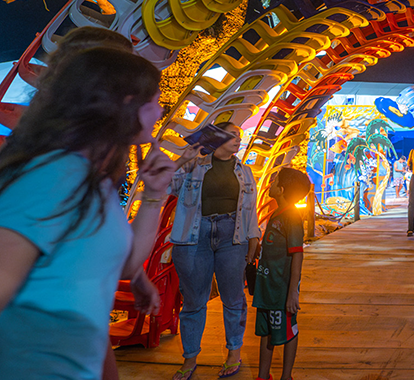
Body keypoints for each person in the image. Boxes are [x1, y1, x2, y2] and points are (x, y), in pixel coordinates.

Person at [0, 48, 175, 379]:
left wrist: (154, 195)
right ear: (126, 103)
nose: (161, 110)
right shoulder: (53, 177)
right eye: (154, 101)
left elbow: (121, 264)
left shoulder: (92, 180)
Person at [169, 122, 261, 380]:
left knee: (233, 298)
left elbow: (250, 208)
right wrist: (182, 159)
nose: (237, 139)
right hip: (194, 235)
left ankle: (234, 353)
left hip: (233, 235)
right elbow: (163, 185)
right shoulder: (194, 166)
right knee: (193, 300)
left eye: (239, 135)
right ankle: (190, 358)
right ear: (215, 138)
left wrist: (254, 237)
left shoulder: (244, 171)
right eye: (231, 135)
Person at [255, 168, 310, 380]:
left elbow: (297, 255)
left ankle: (286, 376)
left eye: (275, 180)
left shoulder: (292, 217)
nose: (271, 183)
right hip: (267, 286)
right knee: (266, 330)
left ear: (282, 189)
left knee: (288, 330)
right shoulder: (278, 213)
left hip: (281, 288)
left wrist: (293, 292)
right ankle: (263, 375)